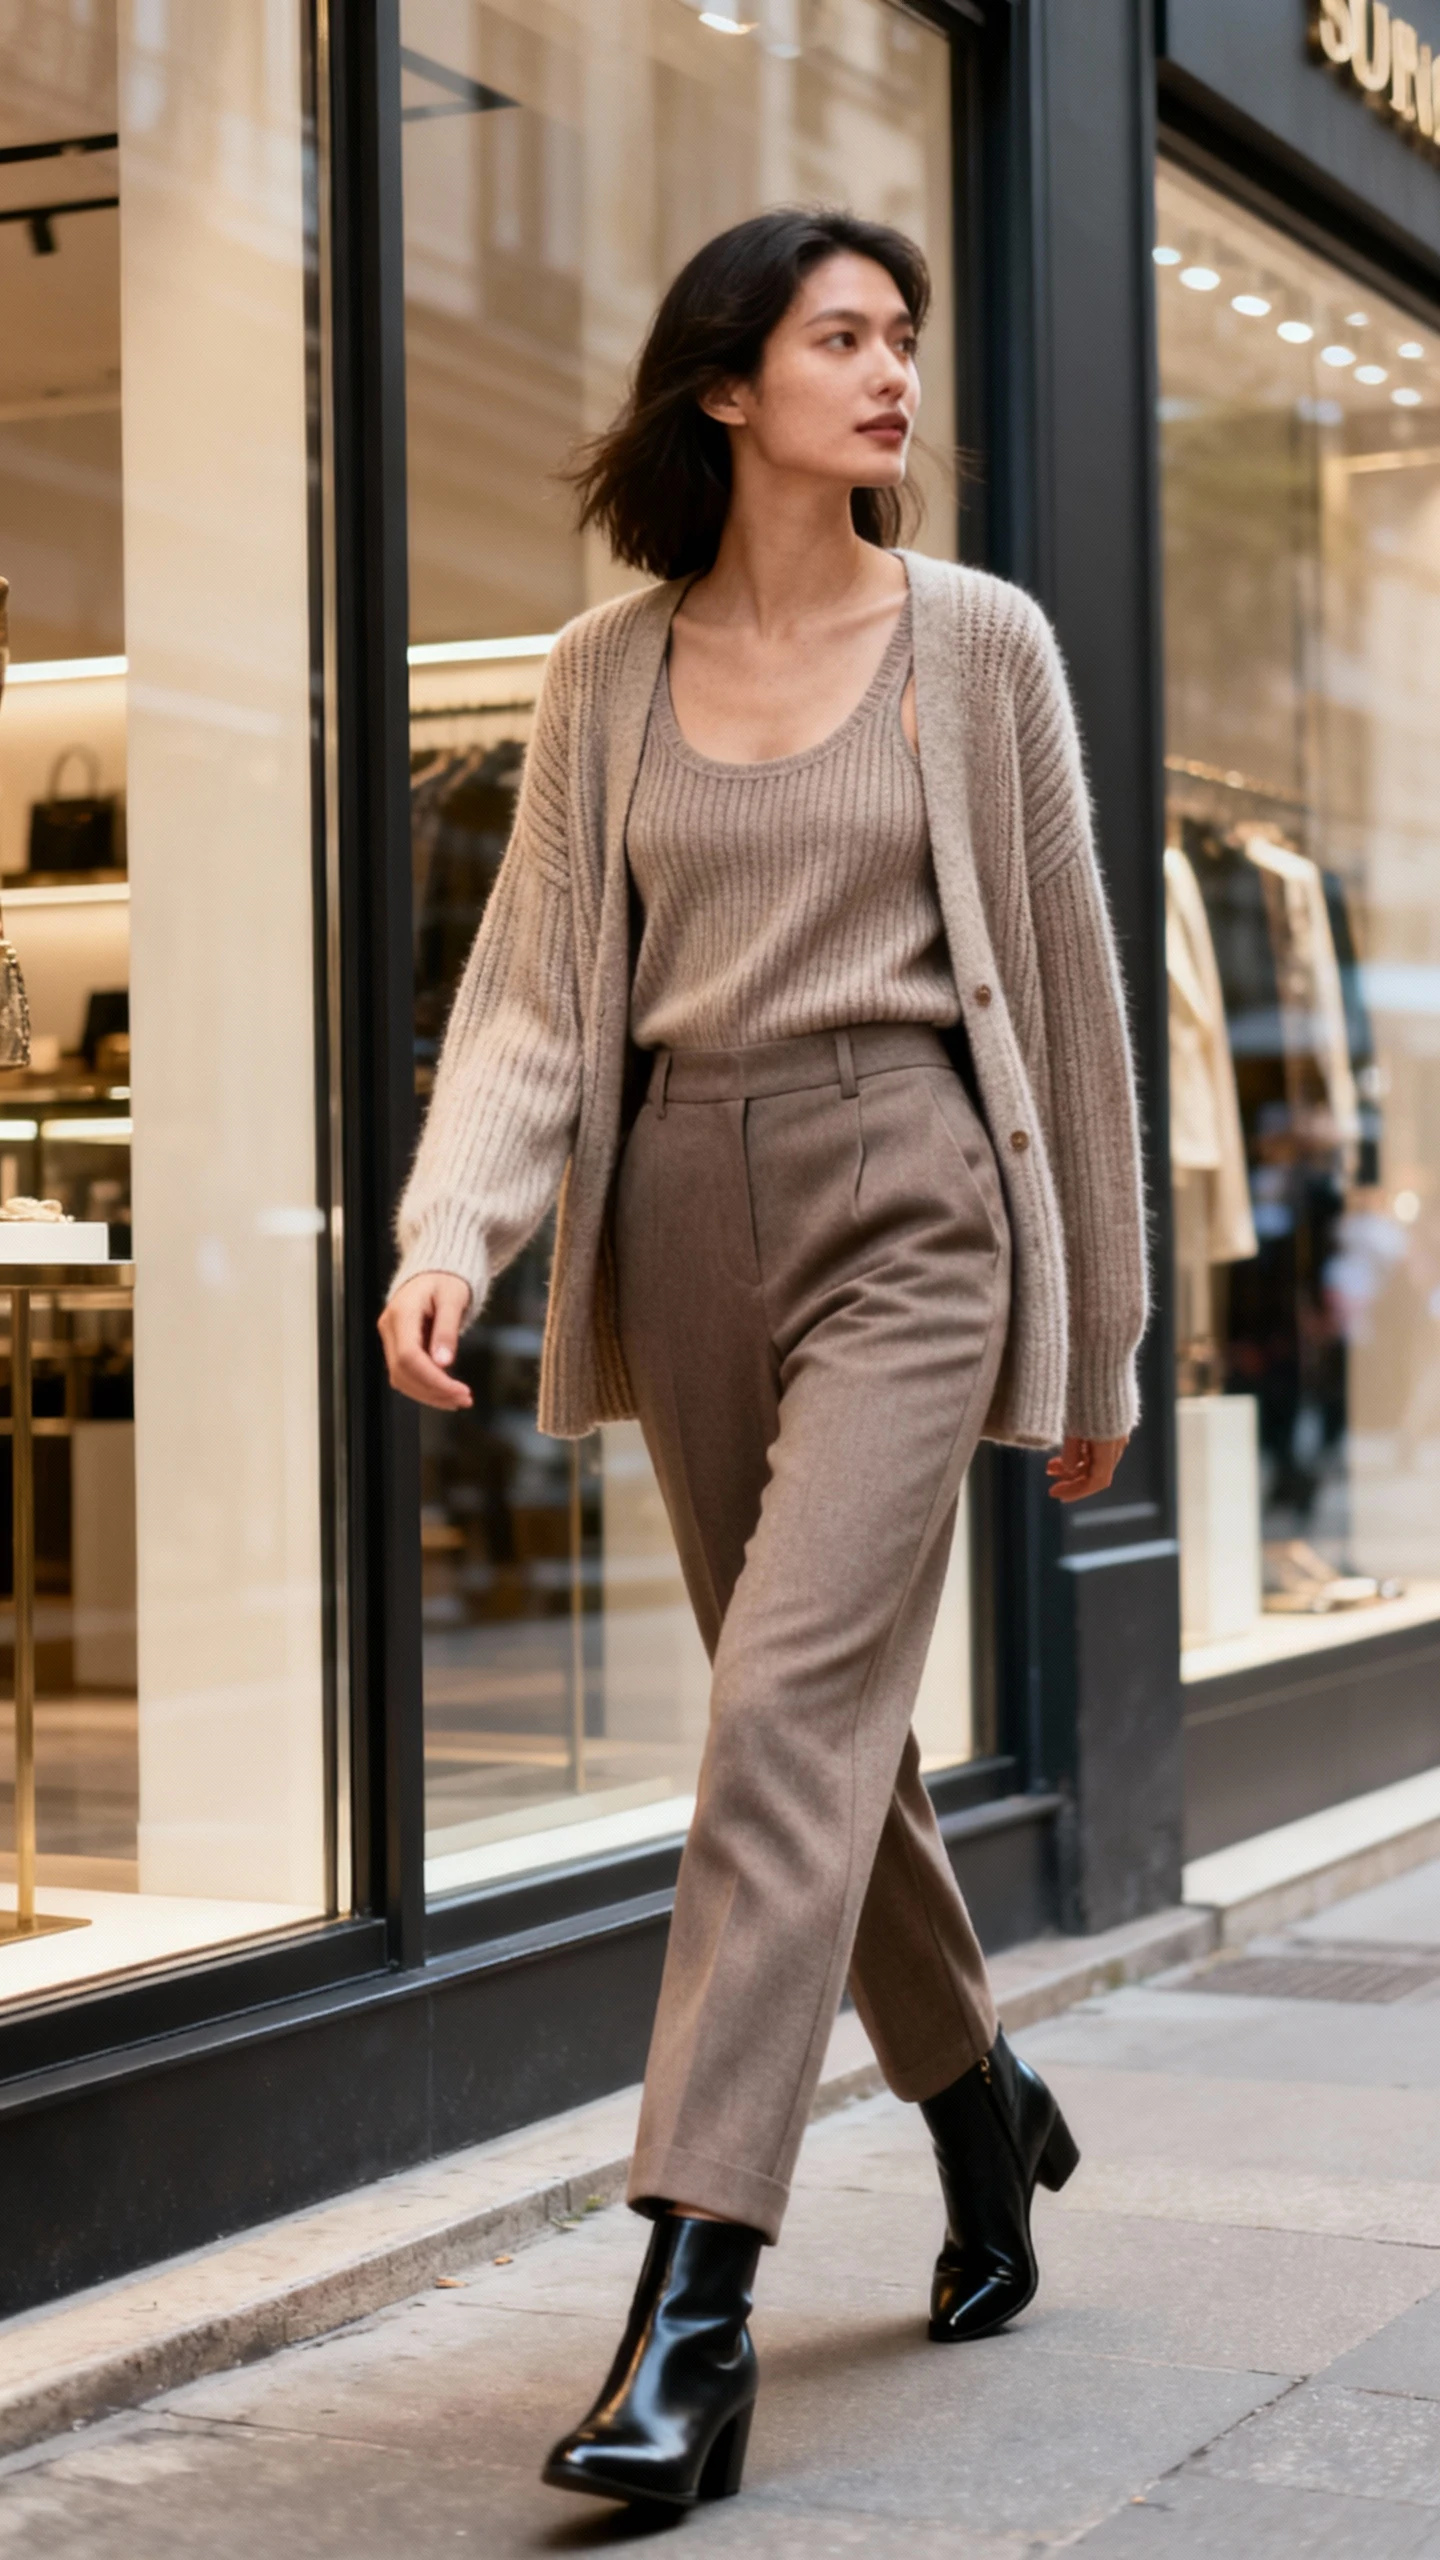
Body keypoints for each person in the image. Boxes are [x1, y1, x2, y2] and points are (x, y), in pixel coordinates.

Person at [380, 206, 1147, 2517]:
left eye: (903, 336)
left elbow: (1074, 998)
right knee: (812, 1735)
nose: (894, 370)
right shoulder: (603, 671)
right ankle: (984, 2101)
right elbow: (534, 988)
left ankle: (690, 2304)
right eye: (842, 336)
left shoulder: (979, 643)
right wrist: (456, 1223)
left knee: (779, 1730)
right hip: (684, 1221)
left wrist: (1100, 1324)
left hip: (916, 1203)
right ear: (727, 384)